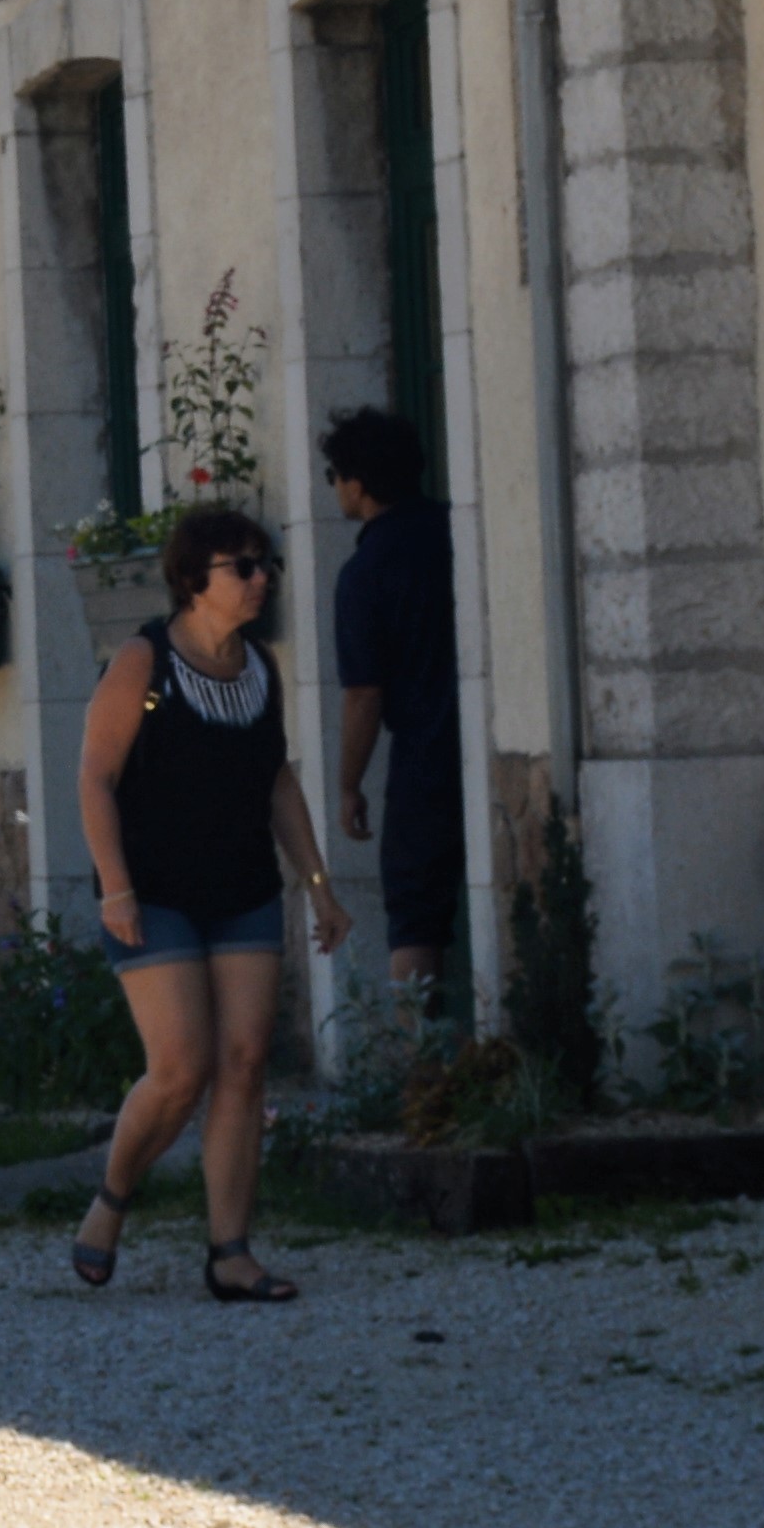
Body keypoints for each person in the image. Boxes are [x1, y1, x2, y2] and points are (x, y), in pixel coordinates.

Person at [69, 503, 351, 1302]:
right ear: (195, 579)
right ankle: (112, 1198)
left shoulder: (260, 667)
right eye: (244, 567)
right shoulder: (143, 661)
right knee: (181, 1066)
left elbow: (278, 781)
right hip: (153, 891)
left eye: (267, 565)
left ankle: (231, 1253)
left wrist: (320, 887)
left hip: (242, 888)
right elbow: (94, 777)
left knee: (246, 1061)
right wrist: (116, 887)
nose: (262, 580)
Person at [320, 409, 471, 1055]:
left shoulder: (365, 573)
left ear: (356, 484)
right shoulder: (458, 530)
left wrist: (348, 783)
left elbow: (363, 695)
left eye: (334, 475)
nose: (334, 488)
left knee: (414, 912)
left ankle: (422, 1067)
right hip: (486, 736)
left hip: (423, 755)